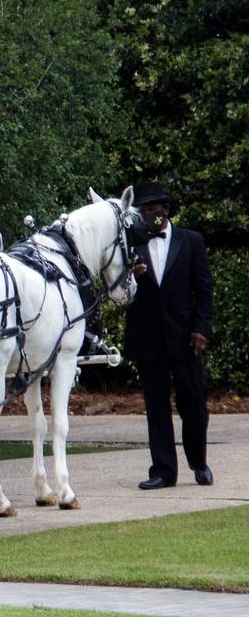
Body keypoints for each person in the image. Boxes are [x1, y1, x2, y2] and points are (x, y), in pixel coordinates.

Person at [125, 182, 213, 490]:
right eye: (145, 210)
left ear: (167, 209)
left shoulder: (191, 241)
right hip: (148, 336)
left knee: (194, 404)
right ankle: (163, 470)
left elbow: (203, 289)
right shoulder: (131, 244)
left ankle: (199, 462)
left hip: (185, 336)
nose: (152, 215)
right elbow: (119, 290)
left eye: (156, 208)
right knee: (157, 408)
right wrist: (130, 278)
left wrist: (201, 328)